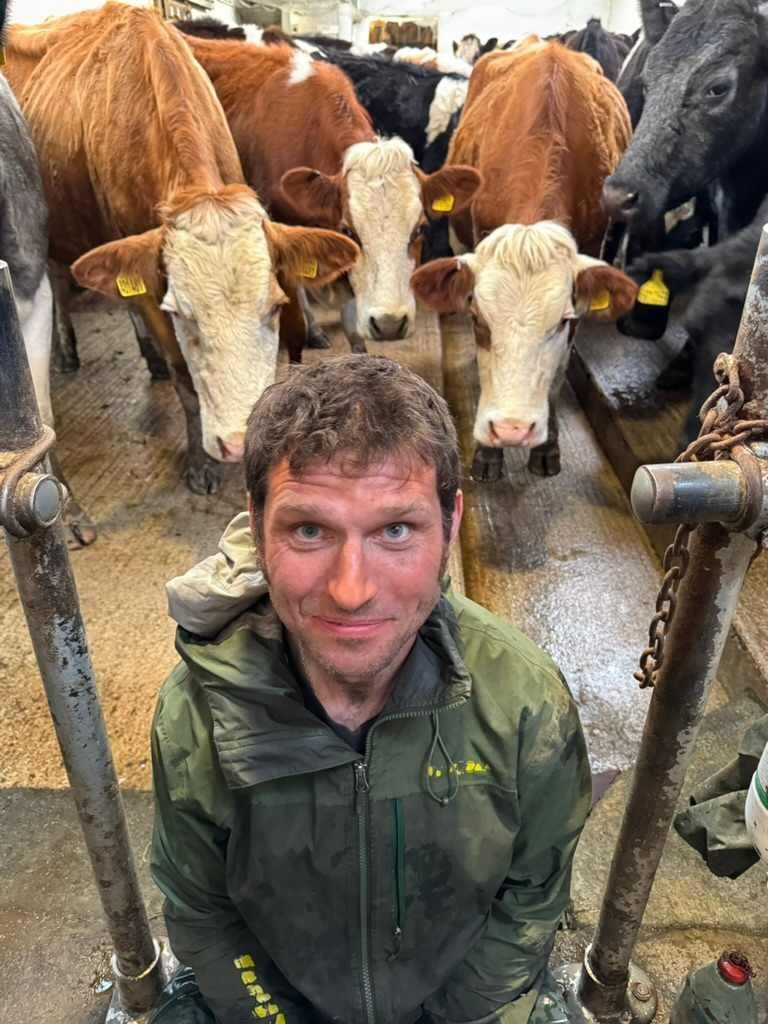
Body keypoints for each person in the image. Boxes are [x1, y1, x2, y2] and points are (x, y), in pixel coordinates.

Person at [150, 355, 591, 1024]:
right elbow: (202, 913)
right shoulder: (197, 716)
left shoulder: (526, 703)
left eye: (395, 530)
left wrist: (458, 1015)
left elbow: (530, 899)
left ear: (451, 524)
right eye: (309, 530)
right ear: (257, 527)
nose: (351, 590)